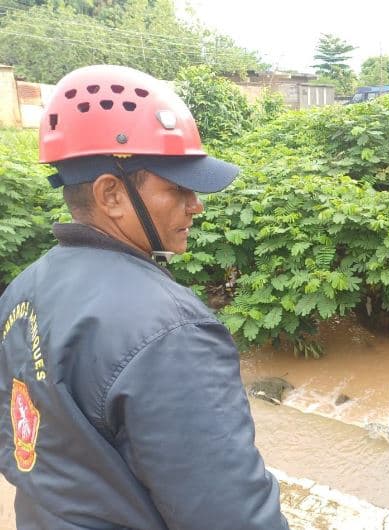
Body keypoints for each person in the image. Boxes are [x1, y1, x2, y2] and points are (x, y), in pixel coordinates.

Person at [0, 65, 289, 529]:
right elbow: (231, 516)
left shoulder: (23, 290)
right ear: (111, 194)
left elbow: (19, 447)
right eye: (177, 188)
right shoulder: (170, 331)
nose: (196, 204)